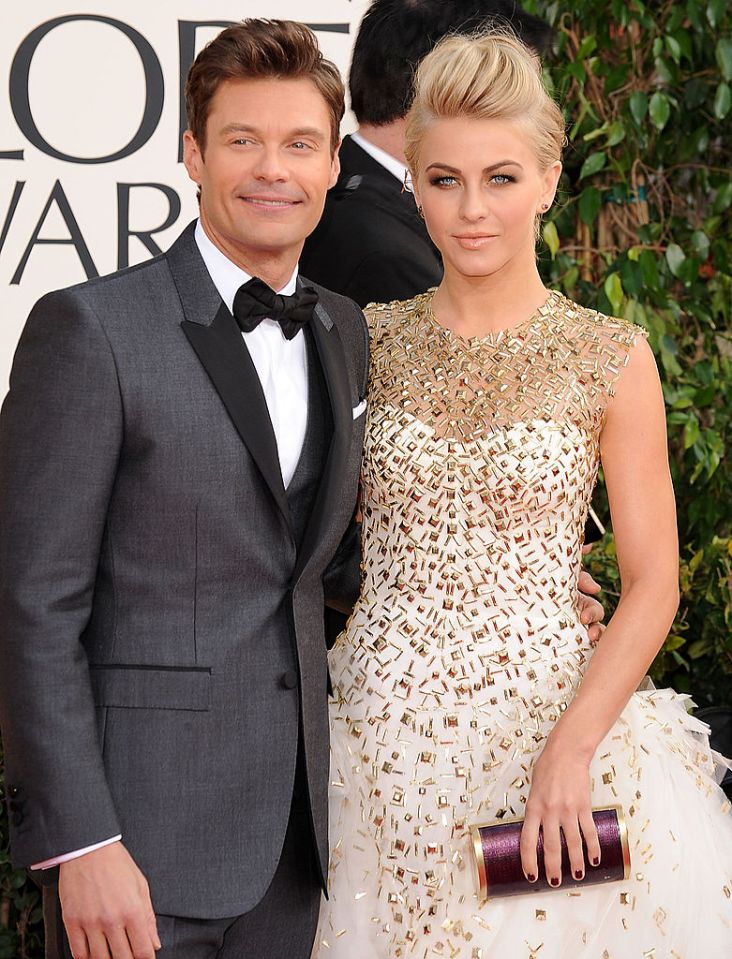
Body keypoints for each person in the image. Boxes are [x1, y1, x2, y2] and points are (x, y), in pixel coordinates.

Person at [313, 31, 732, 958]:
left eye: (502, 179)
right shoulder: (359, 341)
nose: (473, 211)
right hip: (369, 748)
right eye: (445, 179)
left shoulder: (612, 357)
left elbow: (654, 580)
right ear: (412, 181)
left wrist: (571, 750)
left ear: (548, 179)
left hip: (552, 734)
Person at [0, 20, 369, 959]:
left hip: (292, 845)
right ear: (193, 154)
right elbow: (32, 603)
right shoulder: (91, 329)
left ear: (333, 164)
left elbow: (312, 561)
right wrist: (82, 839)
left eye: (299, 144)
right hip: (136, 849)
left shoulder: (342, 329)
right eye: (242, 140)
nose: (271, 169)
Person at [300, 0, 552, 307]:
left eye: (501, 178)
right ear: (437, 79)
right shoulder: (383, 253)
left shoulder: (347, 192)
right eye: (497, 77)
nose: (473, 210)